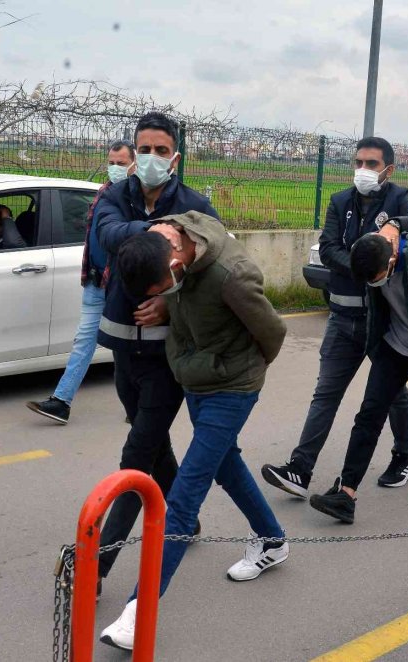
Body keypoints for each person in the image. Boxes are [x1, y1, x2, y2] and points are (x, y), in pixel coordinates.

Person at [100, 212, 288, 651]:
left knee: (185, 496)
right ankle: (274, 540)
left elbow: (273, 333)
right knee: (225, 464)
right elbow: (180, 306)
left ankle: (137, 611)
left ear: (174, 263)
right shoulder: (161, 245)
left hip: (231, 386)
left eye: (163, 290)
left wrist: (234, 372)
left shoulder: (231, 274)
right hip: (195, 377)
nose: (164, 297)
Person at [91, 112, 219, 585]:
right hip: (125, 349)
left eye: (160, 151)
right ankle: (189, 514)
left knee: (136, 455)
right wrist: (167, 233)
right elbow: (106, 238)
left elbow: (213, 262)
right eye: (143, 149)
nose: (150, 158)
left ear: (175, 158)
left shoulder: (197, 204)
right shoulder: (113, 197)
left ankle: (97, 565)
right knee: (154, 441)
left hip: (170, 354)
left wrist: (170, 300)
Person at [262, 137, 408, 497]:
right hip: (342, 318)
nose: (363, 171)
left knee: (394, 393)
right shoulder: (341, 201)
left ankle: (403, 456)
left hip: (382, 321)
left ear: (388, 169)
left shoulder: (400, 198)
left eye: (371, 163)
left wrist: (395, 225)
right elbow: (328, 247)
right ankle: (300, 469)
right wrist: (362, 266)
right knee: (326, 394)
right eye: (358, 163)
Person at [309, 231, 408, 524]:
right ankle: (346, 493)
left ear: (393, 259)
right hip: (395, 346)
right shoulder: (369, 253)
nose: (374, 283)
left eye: (377, 277)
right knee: (369, 415)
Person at [26, 140, 137, 424]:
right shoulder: (104, 193)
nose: (114, 168)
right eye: (111, 163)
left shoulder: (137, 201)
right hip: (95, 281)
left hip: (119, 285)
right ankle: (61, 402)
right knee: (85, 340)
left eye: (121, 164)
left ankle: (139, 407)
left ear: (134, 164)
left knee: (126, 347)